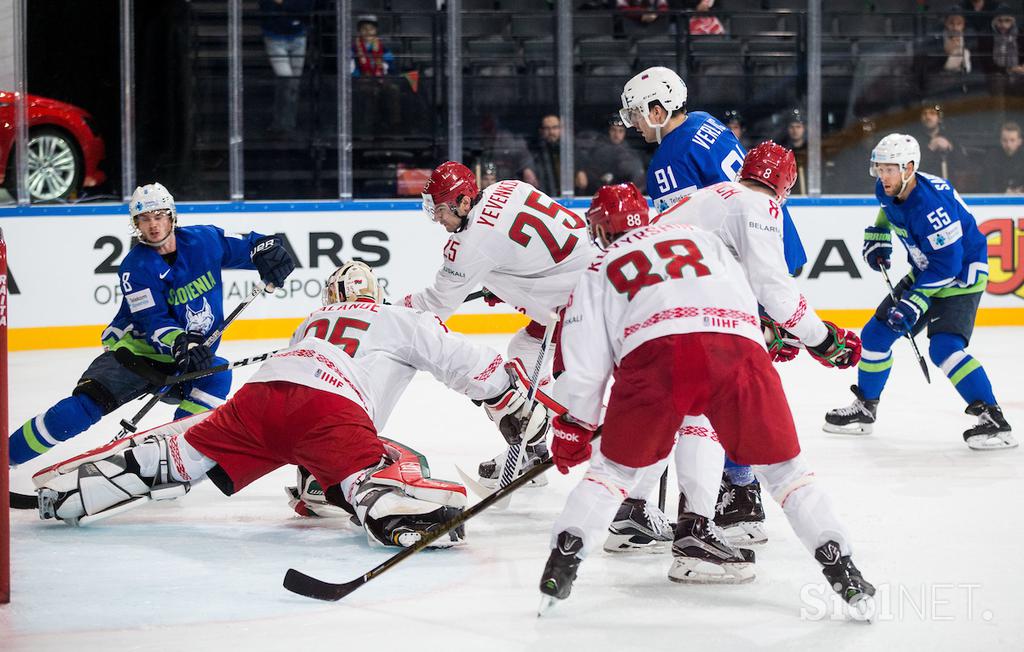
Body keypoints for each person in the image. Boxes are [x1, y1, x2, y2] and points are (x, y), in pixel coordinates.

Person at [34, 262, 547, 549]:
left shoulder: (309, 323)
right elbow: (472, 365)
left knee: (189, 449)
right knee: (400, 461)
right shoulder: (397, 318)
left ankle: (76, 490)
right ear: (378, 293)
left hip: (260, 395)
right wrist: (515, 404)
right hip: (329, 413)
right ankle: (384, 501)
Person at [537, 187, 875, 616]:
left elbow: (586, 367)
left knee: (611, 473)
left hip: (656, 359)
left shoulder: (599, 265)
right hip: (735, 350)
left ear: (601, 228)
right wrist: (758, 345)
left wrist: (575, 429)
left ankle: (561, 564)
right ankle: (842, 568)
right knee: (787, 474)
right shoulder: (702, 237)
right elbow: (746, 296)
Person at [405, 162, 675, 549]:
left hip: (580, 305)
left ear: (464, 202)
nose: (439, 220)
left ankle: (623, 500)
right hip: (592, 276)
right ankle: (533, 451)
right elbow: (533, 244)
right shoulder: (508, 187)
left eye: (443, 210)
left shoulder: (468, 244)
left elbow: (434, 307)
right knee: (524, 349)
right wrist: (506, 279)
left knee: (571, 396)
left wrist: (385, 308)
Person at [619, 65, 808, 541]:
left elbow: (681, 241)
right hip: (774, 248)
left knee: (722, 387)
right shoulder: (705, 122)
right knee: (732, 384)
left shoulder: (668, 158)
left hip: (739, 277)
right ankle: (734, 493)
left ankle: (739, 498)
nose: (634, 123)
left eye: (639, 114)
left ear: (660, 110)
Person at [652, 142, 862, 546]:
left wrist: (767, 328)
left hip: (644, 310)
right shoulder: (760, 206)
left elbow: (728, 278)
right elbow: (775, 290)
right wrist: (823, 340)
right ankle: (720, 508)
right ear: (784, 186)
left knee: (667, 413)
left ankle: (637, 508)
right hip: (687, 321)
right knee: (715, 407)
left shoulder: (709, 195)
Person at [8, 183, 296, 466]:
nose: (153, 226)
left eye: (158, 216)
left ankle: (175, 456)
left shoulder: (204, 240)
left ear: (172, 216)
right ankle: (7, 456)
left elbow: (253, 245)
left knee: (217, 376)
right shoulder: (136, 267)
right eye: (145, 219)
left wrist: (269, 251)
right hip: (136, 356)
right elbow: (153, 320)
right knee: (82, 407)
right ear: (137, 224)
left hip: (185, 358)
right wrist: (183, 343)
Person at [825, 134, 1016, 451]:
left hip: (961, 276)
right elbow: (888, 209)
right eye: (880, 168)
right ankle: (865, 409)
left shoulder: (932, 207)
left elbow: (949, 265)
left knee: (944, 348)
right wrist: (879, 233)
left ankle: (994, 420)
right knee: (874, 336)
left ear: (909, 167)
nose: (883, 176)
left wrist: (914, 301)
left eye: (890, 169)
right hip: (930, 268)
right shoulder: (887, 189)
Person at [259, 0, 314, 134]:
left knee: (294, 84)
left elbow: (306, 7)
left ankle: (288, 124)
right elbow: (267, 8)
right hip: (275, 39)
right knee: (286, 79)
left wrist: (283, 4)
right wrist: (290, 7)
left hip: (298, 36)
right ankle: (280, 123)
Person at [351, 14, 401, 133]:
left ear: (376, 31)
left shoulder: (383, 48)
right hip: (362, 80)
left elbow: (391, 67)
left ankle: (395, 126)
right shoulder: (353, 49)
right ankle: (368, 127)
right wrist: (361, 77)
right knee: (372, 93)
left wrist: (385, 67)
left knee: (394, 90)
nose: (368, 32)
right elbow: (351, 70)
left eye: (371, 29)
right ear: (359, 31)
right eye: (364, 29)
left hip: (381, 79)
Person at [575, 114, 646, 195]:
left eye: (620, 131)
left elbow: (637, 178)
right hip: (595, 194)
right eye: (613, 130)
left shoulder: (631, 153)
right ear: (608, 131)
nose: (616, 135)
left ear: (625, 133)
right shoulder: (595, 149)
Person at [908, 102, 965, 182]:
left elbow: (963, 164)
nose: (928, 117)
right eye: (924, 114)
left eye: (932, 113)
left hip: (947, 187)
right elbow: (912, 168)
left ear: (939, 118)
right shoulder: (913, 140)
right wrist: (931, 148)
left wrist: (950, 147)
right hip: (923, 187)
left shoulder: (950, 137)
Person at [983, 120, 1024, 192]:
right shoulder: (992, 157)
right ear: (1000, 141)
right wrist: (1003, 191)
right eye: (1005, 140)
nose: (1008, 144)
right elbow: (987, 184)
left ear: (1019, 141)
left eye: (1012, 140)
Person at [779, 110, 808, 194]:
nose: (795, 130)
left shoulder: (810, 151)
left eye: (798, 127)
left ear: (804, 128)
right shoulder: (783, 152)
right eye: (792, 127)